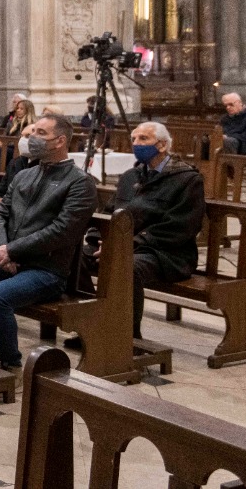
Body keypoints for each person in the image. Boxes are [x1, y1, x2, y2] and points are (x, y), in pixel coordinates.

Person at [0, 114, 95, 370]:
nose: (32, 138)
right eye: (32, 132)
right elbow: (1, 213)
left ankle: (11, 365)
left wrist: (12, 250)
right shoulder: (25, 175)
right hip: (9, 261)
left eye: (40, 133)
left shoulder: (79, 182)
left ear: (60, 141)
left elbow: (62, 231)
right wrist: (4, 251)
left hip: (46, 271)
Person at [78, 122, 205, 343]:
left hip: (167, 254)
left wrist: (125, 246)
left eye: (143, 139)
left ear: (163, 145)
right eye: (134, 139)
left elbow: (179, 227)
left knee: (127, 266)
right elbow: (109, 213)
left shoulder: (187, 179)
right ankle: (92, 325)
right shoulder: (130, 177)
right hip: (121, 246)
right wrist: (99, 240)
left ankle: (126, 339)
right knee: (75, 256)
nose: (136, 144)